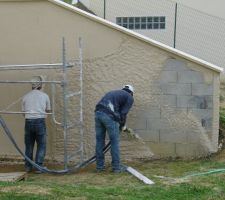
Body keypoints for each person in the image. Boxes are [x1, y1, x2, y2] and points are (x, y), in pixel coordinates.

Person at [94, 85, 134, 173]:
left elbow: (118, 110)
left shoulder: (114, 93)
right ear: (131, 93)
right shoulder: (129, 97)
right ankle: (116, 168)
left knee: (99, 141)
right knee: (114, 141)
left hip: (98, 113)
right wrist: (122, 125)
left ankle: (99, 167)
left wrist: (120, 123)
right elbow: (123, 113)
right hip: (108, 116)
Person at [22, 76, 51, 172]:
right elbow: (48, 110)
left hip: (28, 121)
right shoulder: (45, 96)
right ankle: (39, 167)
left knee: (29, 145)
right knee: (41, 144)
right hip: (40, 121)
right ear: (40, 85)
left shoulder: (26, 96)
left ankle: (28, 166)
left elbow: (23, 113)